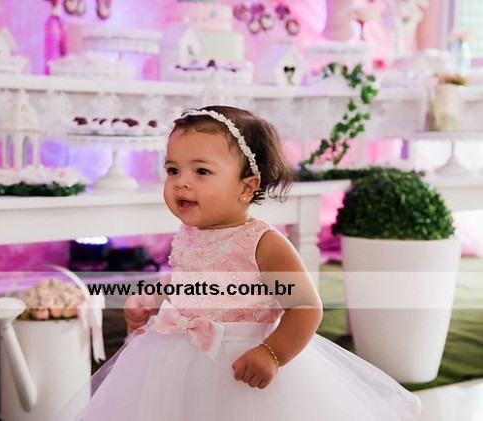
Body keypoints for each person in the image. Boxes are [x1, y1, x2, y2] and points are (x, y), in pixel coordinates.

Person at [67, 105, 421, 420]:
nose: (181, 182)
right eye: (173, 170)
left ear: (247, 187)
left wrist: (272, 353)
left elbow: (305, 307)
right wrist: (154, 297)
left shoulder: (263, 243)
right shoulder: (190, 233)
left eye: (201, 171)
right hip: (176, 361)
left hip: (240, 365)